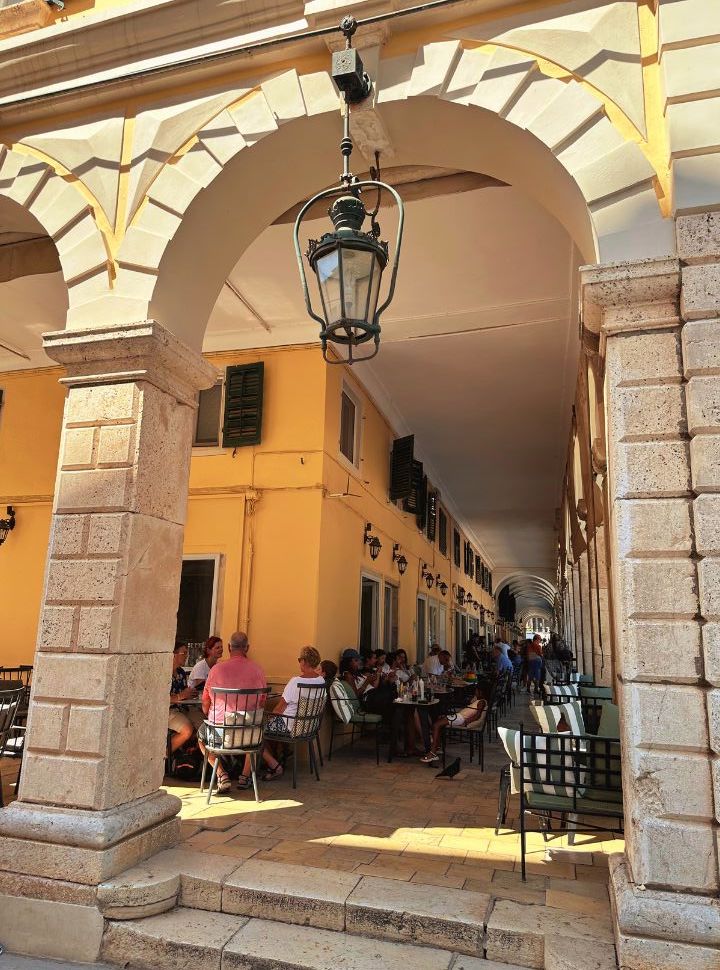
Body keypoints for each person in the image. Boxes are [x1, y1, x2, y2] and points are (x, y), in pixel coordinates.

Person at [199, 631, 269, 793]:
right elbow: (262, 702)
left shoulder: (216, 670)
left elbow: (205, 702)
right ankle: (245, 776)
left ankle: (221, 774)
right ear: (247, 648)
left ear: (229, 647)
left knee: (201, 737)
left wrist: (208, 716)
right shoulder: (258, 670)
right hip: (249, 734)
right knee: (256, 731)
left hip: (220, 732)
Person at [263, 646, 325, 780]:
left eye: (299, 660)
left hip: (291, 726)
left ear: (305, 661)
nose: (299, 663)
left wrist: (269, 718)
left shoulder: (295, 681)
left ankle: (274, 765)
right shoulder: (321, 681)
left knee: (256, 732)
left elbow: (279, 709)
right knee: (272, 725)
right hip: (308, 727)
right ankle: (281, 756)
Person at [420, 688, 487, 763]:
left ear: (481, 692)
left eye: (477, 691)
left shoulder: (481, 702)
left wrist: (466, 722)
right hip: (459, 716)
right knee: (438, 722)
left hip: (460, 718)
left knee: (436, 725)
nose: (475, 692)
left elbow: (477, 716)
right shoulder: (479, 700)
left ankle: (432, 753)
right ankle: (436, 747)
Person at [168, 641, 203, 754]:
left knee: (205, 725)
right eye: (184, 653)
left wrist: (191, 694)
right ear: (174, 654)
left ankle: (195, 756)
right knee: (187, 730)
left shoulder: (181, 672)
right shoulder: (163, 672)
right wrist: (180, 696)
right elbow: (160, 698)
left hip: (183, 708)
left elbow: (184, 693)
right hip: (168, 710)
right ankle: (164, 755)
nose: (187, 656)